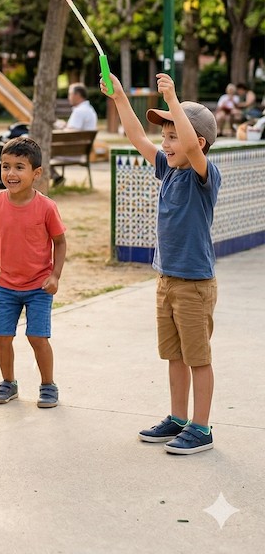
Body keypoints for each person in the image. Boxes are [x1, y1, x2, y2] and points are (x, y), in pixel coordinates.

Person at [102, 71, 220, 455]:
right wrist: (120, 96)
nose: (166, 144)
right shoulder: (167, 169)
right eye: (166, 137)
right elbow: (137, 136)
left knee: (197, 357)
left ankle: (201, 428)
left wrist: (173, 102)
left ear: (195, 143)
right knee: (174, 355)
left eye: (172, 137)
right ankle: (178, 417)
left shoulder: (204, 175)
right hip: (166, 280)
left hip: (194, 284)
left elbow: (190, 144)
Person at [0, 137, 67, 409]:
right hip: (6, 286)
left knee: (38, 337)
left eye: (19, 167)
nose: (10, 174)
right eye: (5, 166)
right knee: (2, 335)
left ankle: (48, 385)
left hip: (39, 286)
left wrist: (55, 275)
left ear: (36, 173)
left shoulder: (46, 207)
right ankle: (8, 382)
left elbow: (59, 242)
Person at [52, 82, 97, 185]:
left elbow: (70, 134)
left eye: (70, 94)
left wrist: (62, 127)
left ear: (77, 95)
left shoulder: (79, 111)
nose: (69, 97)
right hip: (81, 151)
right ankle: (57, 177)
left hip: (71, 152)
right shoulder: (90, 110)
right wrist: (65, 126)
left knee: (40, 153)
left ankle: (56, 177)